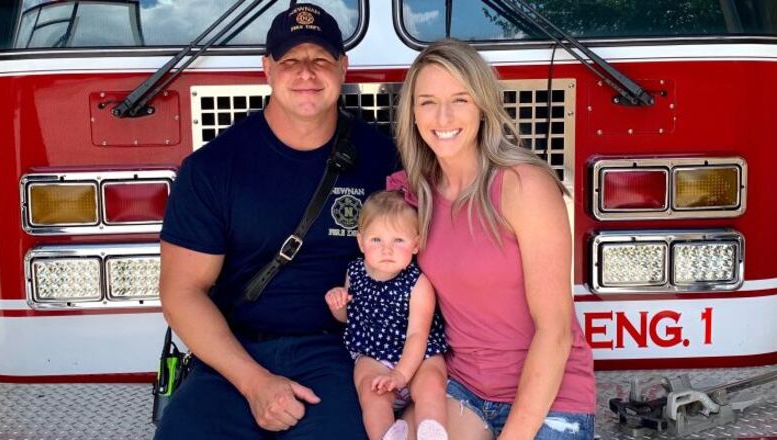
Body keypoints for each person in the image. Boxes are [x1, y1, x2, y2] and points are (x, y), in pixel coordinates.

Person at [154, 4, 398, 439]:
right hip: (233, 356)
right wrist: (254, 383)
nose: (306, 72)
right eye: (290, 60)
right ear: (267, 69)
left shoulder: (384, 161)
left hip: (341, 355)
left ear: (343, 67)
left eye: (320, 59)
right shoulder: (213, 167)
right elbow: (182, 291)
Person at [391, 39, 597, 440]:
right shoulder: (418, 193)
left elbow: (555, 331)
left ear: (483, 106)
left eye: (460, 100)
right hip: (465, 387)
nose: (443, 116)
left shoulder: (524, 186)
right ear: (412, 113)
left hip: (550, 395)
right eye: (428, 102)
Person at [324, 190, 449, 440]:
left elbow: (418, 335)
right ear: (361, 242)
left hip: (418, 356)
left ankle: (431, 428)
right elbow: (348, 319)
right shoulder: (355, 272)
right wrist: (337, 304)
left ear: (415, 244)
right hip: (374, 354)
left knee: (432, 382)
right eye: (376, 240)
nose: (387, 250)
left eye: (398, 240)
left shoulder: (418, 283)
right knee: (370, 391)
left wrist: (400, 374)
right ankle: (386, 435)